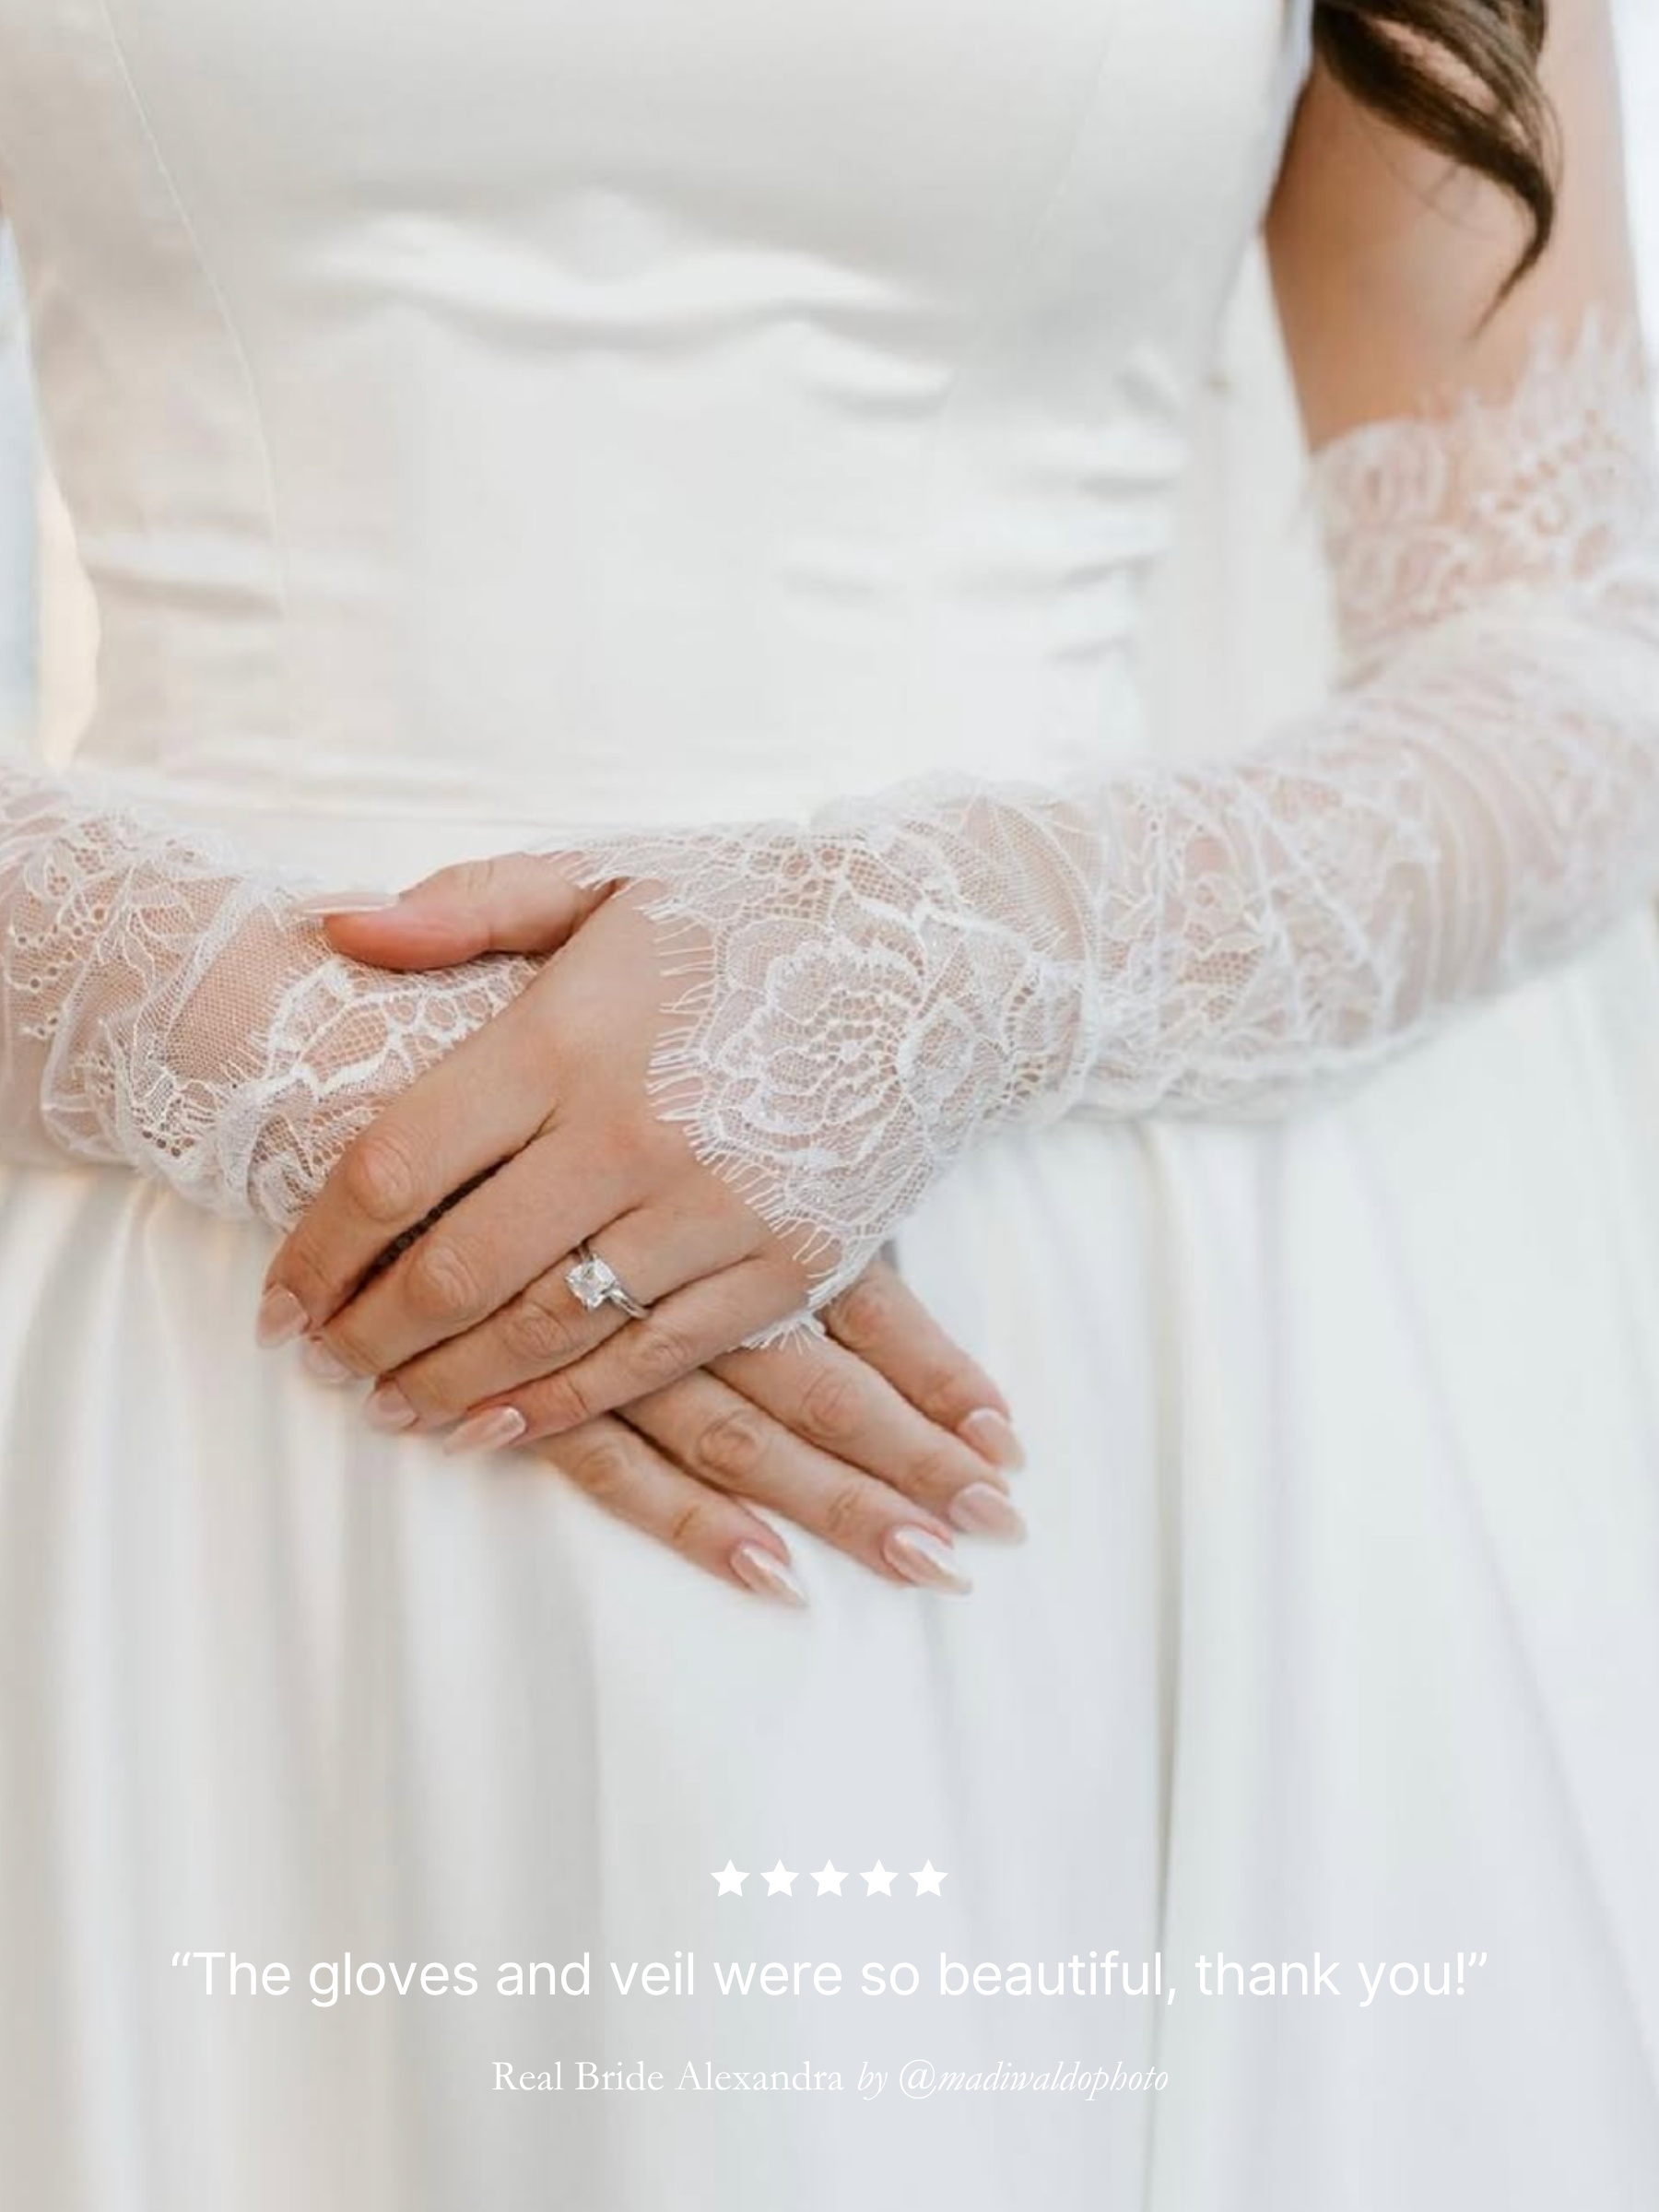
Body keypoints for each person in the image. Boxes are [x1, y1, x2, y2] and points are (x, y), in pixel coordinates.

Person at [2, 2, 1657, 2205]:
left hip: (1006, 1320)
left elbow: (1568, 672)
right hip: (200, 1308)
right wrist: (232, 1031)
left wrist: (958, 948)